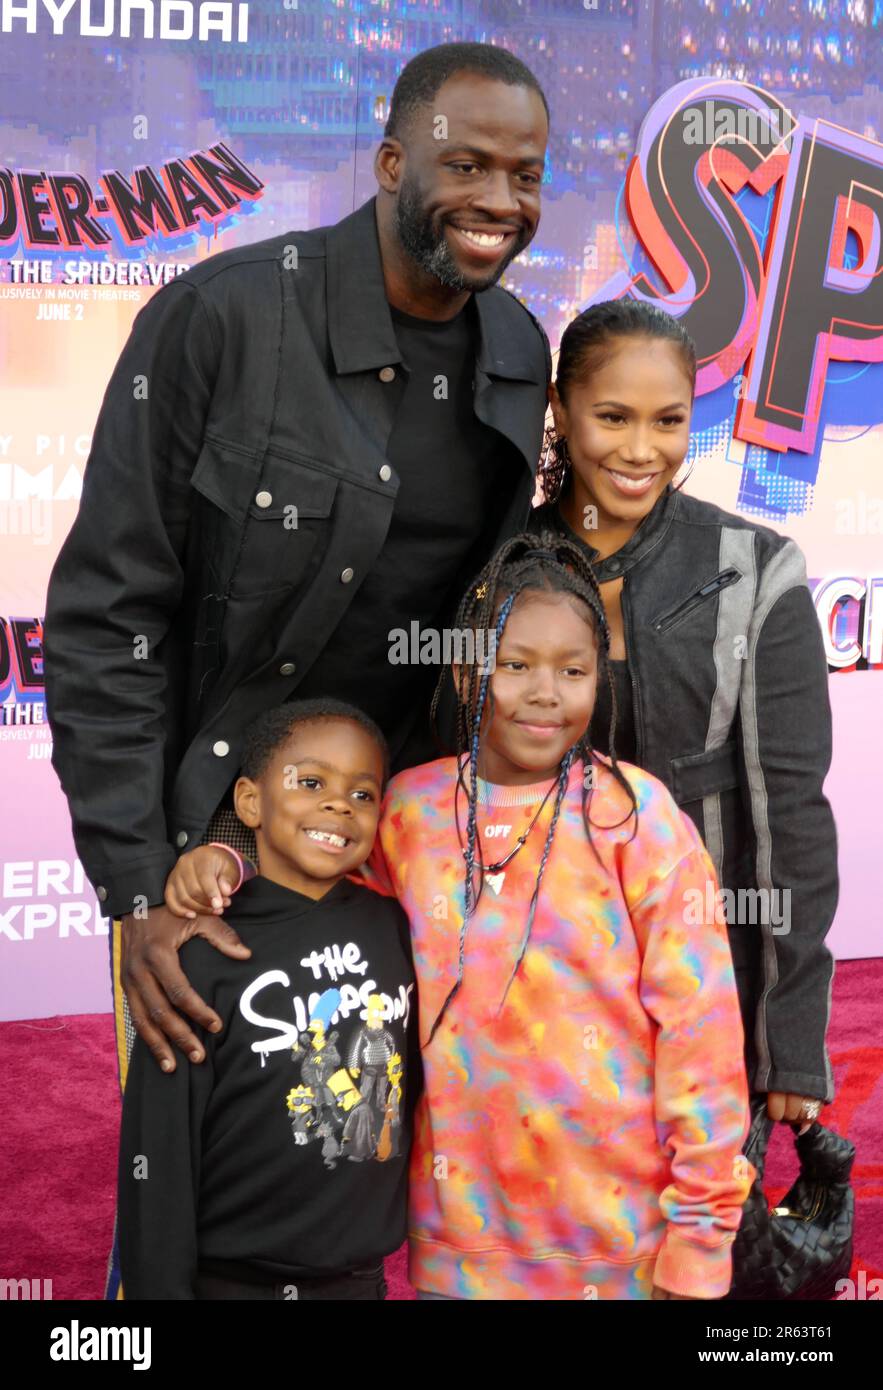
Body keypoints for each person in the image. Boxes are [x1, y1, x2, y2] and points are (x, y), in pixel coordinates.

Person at [42, 41, 551, 1298]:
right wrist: (137, 890)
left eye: (525, 174)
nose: (499, 200)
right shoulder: (222, 318)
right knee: (196, 1215)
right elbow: (110, 614)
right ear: (388, 163)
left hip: (399, 848)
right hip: (214, 847)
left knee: (362, 1173)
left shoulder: (519, 348)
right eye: (465, 163)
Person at [351, 532, 755, 1299]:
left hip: (619, 1245)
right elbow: (320, 900)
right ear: (468, 671)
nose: (546, 692)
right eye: (515, 666)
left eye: (573, 671)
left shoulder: (635, 817)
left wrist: (701, 1235)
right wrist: (228, 863)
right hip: (460, 1241)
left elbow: (699, 1031)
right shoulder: (407, 811)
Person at [528, 299, 838, 1133]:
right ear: (559, 410)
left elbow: (791, 817)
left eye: (667, 420)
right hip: (539, 988)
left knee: (702, 1248)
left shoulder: (754, 568)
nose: (640, 451)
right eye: (611, 417)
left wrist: (789, 1038)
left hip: (708, 980)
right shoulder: (501, 570)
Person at [118, 699, 419, 1300]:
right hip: (230, 1283)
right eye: (311, 783)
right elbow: (159, 1154)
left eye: (363, 794)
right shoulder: (202, 950)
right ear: (250, 801)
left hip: (357, 1281)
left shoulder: (398, 925)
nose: (339, 805)